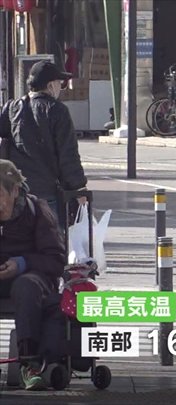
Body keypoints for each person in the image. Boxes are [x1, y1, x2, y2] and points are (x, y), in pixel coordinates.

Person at [0, 160, 66, 390]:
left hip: (34, 278)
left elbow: (56, 260)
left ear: (15, 191)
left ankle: (30, 364)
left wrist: (22, 263)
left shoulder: (37, 211)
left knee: (25, 286)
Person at [0, 61, 87, 226]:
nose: (60, 88)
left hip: (18, 192)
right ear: (50, 85)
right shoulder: (57, 110)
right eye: (59, 83)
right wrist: (79, 188)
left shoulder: (12, 108)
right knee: (49, 236)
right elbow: (68, 155)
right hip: (47, 193)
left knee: (19, 236)